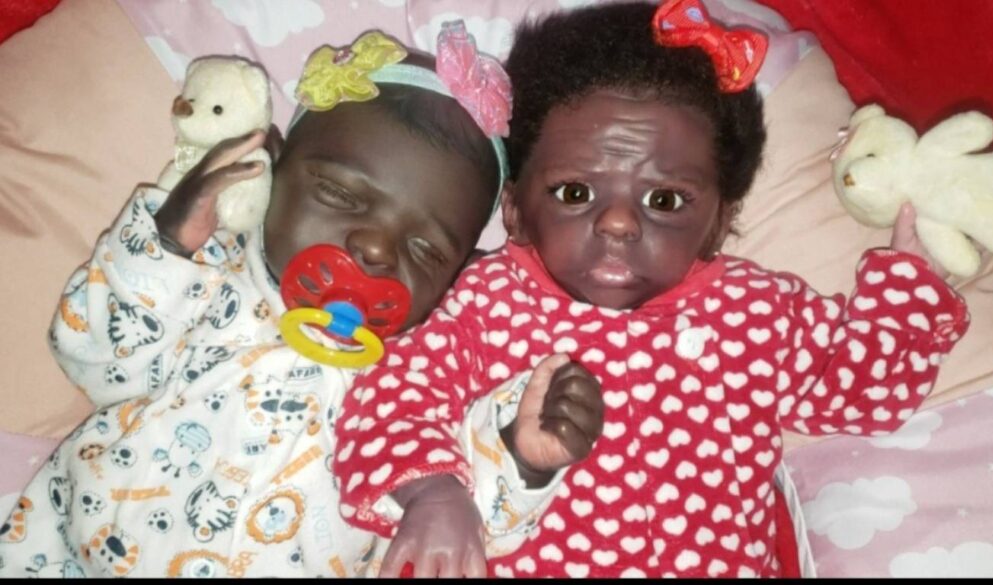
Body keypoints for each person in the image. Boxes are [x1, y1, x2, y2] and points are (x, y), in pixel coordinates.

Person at [332, 0, 971, 577]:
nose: (618, 223)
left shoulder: (755, 312)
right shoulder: (485, 304)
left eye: (664, 200)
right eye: (575, 192)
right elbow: (391, 399)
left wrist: (908, 288)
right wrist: (433, 493)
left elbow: (854, 393)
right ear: (516, 210)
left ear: (718, 223)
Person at [0, 24, 596, 578]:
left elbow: (449, 517)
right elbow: (95, 359)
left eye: (426, 249)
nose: (375, 248)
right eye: (339, 193)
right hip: (69, 553)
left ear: (458, 274)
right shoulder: (209, 275)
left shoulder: (419, 377)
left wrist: (521, 458)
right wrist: (167, 241)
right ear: (270, 166)